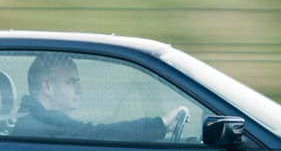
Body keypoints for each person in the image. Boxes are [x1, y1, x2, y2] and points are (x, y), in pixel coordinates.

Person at [13, 53, 188, 141]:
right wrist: (160, 124)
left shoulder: (33, 118)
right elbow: (99, 134)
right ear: (47, 87)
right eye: (71, 82)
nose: (80, 89)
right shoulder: (45, 124)